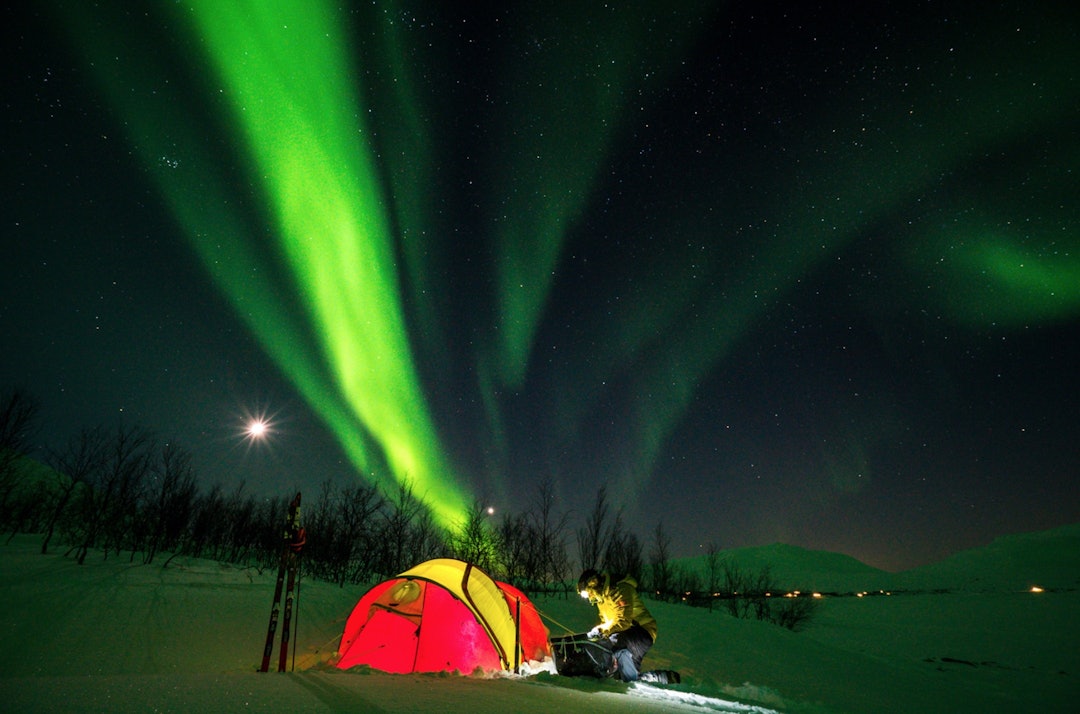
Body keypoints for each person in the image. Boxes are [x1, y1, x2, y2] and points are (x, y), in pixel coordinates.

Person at [577, 569, 659, 682]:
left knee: (616, 641)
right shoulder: (602, 601)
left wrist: (603, 631)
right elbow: (606, 623)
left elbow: (624, 621)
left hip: (642, 630)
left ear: (593, 583)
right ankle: (652, 678)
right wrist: (598, 632)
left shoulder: (620, 589)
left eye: (589, 593)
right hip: (626, 632)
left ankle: (628, 680)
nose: (590, 598)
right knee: (604, 645)